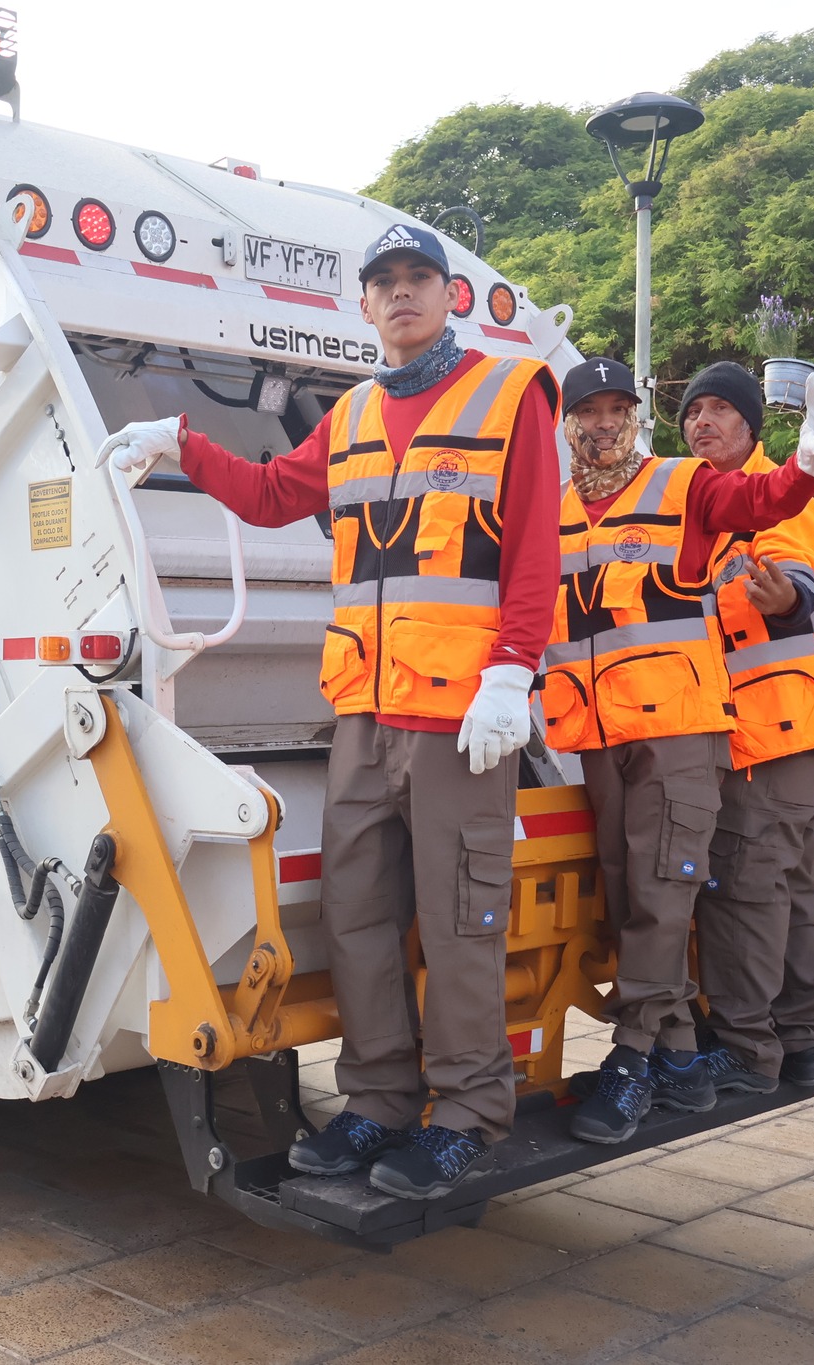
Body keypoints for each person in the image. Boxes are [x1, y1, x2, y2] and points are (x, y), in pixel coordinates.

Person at [97, 225, 560, 1200]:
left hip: (456, 722)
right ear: (361, 305)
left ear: (447, 298)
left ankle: (466, 1115)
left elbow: (530, 552)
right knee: (356, 915)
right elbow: (271, 497)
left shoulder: (507, 396)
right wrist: (182, 442)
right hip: (361, 714)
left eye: (418, 280)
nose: (400, 296)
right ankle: (376, 1105)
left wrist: (512, 674)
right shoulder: (350, 415)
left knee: (456, 920)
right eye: (383, 282)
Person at [545, 357, 814, 1144]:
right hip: (603, 734)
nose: (604, 423)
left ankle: (670, 1052)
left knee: (696, 892)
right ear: (569, 425)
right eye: (590, 411)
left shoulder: (687, 488)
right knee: (649, 894)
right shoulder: (556, 512)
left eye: (620, 409)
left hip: (708, 729)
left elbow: (767, 518)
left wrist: (806, 468)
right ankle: (693, 1055)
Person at [679, 362, 814, 1096]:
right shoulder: (700, 502)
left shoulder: (778, 498)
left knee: (744, 886)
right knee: (790, 883)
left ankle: (747, 1045)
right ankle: (803, 1037)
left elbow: (794, 580)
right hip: (787, 729)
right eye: (693, 411)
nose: (704, 422)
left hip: (767, 730)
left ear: (752, 427)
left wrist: (784, 598)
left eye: (721, 409)